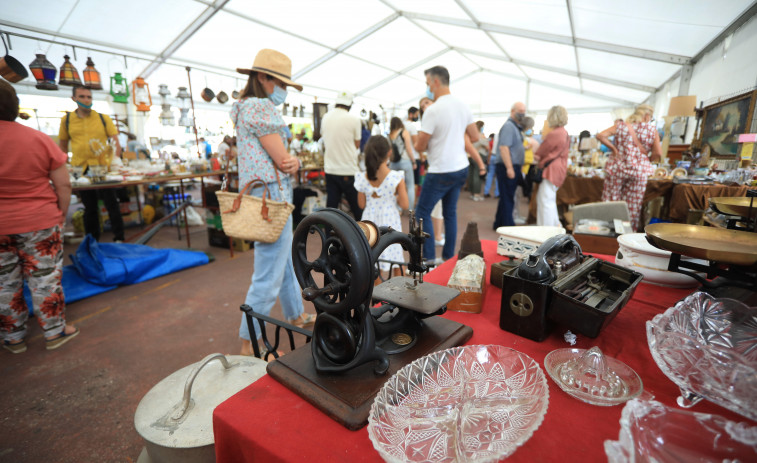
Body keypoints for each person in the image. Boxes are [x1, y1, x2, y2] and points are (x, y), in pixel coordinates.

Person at [232, 48, 315, 356]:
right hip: (271, 195)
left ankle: (295, 313)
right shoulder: (260, 108)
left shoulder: (244, 107)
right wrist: (292, 161)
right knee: (268, 270)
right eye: (280, 83)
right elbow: (283, 161)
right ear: (263, 78)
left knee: (280, 261)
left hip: (265, 194)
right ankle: (249, 344)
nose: (282, 90)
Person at [0, 79, 79, 353]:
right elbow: (64, 185)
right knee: (45, 279)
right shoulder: (37, 139)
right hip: (39, 221)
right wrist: (60, 215)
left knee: (4, 284)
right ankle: (55, 333)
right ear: (15, 106)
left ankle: (13, 338)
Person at [414, 65, 484, 263]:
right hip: (460, 167)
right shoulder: (462, 105)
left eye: (428, 83)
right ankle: (448, 258)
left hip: (440, 169)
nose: (427, 87)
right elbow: (475, 135)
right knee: (450, 213)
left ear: (436, 82)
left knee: (422, 212)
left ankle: (428, 258)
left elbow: (420, 144)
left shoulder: (433, 110)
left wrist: (422, 140)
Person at [59, 85, 125, 242]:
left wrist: (115, 163)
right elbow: (62, 144)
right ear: (74, 98)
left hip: (102, 166)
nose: (86, 100)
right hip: (80, 168)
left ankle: (119, 237)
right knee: (90, 207)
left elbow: (115, 142)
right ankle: (92, 240)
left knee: (111, 203)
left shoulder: (103, 118)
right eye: (82, 96)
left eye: (89, 97)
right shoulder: (67, 120)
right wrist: (64, 165)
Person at [597, 104, 661, 231]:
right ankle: (626, 234)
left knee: (612, 201)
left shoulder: (621, 126)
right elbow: (657, 153)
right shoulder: (652, 130)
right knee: (632, 206)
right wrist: (646, 160)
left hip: (617, 168)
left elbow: (601, 135)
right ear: (647, 116)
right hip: (638, 172)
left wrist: (614, 149)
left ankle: (609, 232)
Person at [355, 135, 408, 278]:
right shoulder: (396, 177)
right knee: (396, 257)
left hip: (369, 224)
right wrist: (395, 196)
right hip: (390, 221)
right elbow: (405, 204)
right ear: (389, 152)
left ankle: (376, 295)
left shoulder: (362, 177)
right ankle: (398, 294)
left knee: (372, 259)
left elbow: (361, 204)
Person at [320, 90, 363, 220]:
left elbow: (324, 139)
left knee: (331, 208)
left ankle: (328, 237)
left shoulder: (325, 117)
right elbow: (357, 144)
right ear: (350, 105)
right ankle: (363, 236)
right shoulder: (354, 119)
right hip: (348, 170)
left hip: (330, 169)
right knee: (357, 208)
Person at [493, 101, 527, 229]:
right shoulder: (509, 126)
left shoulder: (515, 126)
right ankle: (508, 226)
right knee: (508, 197)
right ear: (513, 111)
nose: (522, 114)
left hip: (512, 166)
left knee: (505, 197)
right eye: (520, 112)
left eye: (524, 112)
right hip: (507, 166)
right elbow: (504, 148)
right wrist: (509, 168)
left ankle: (499, 223)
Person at [534, 106, 570, 227]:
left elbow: (541, 151)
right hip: (559, 168)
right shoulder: (564, 132)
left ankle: (546, 231)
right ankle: (554, 226)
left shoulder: (555, 133)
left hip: (551, 169)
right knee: (548, 199)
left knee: (545, 201)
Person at [388, 117, 416, 210]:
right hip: (405, 161)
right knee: (410, 186)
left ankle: (397, 209)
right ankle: (410, 209)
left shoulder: (390, 134)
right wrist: (413, 161)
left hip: (393, 163)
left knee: (394, 187)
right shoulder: (404, 132)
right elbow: (408, 148)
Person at [469, 121, 489, 201]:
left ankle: (472, 193)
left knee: (472, 175)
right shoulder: (481, 136)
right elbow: (487, 147)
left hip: (470, 156)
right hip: (479, 156)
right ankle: (477, 194)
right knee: (478, 175)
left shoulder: (470, 136)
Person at [405, 107, 422, 190]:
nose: (417, 117)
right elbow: (416, 145)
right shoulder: (412, 127)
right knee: (414, 183)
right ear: (411, 114)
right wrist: (421, 156)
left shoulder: (402, 125)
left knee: (406, 183)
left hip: (405, 158)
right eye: (416, 115)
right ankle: (413, 202)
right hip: (414, 158)